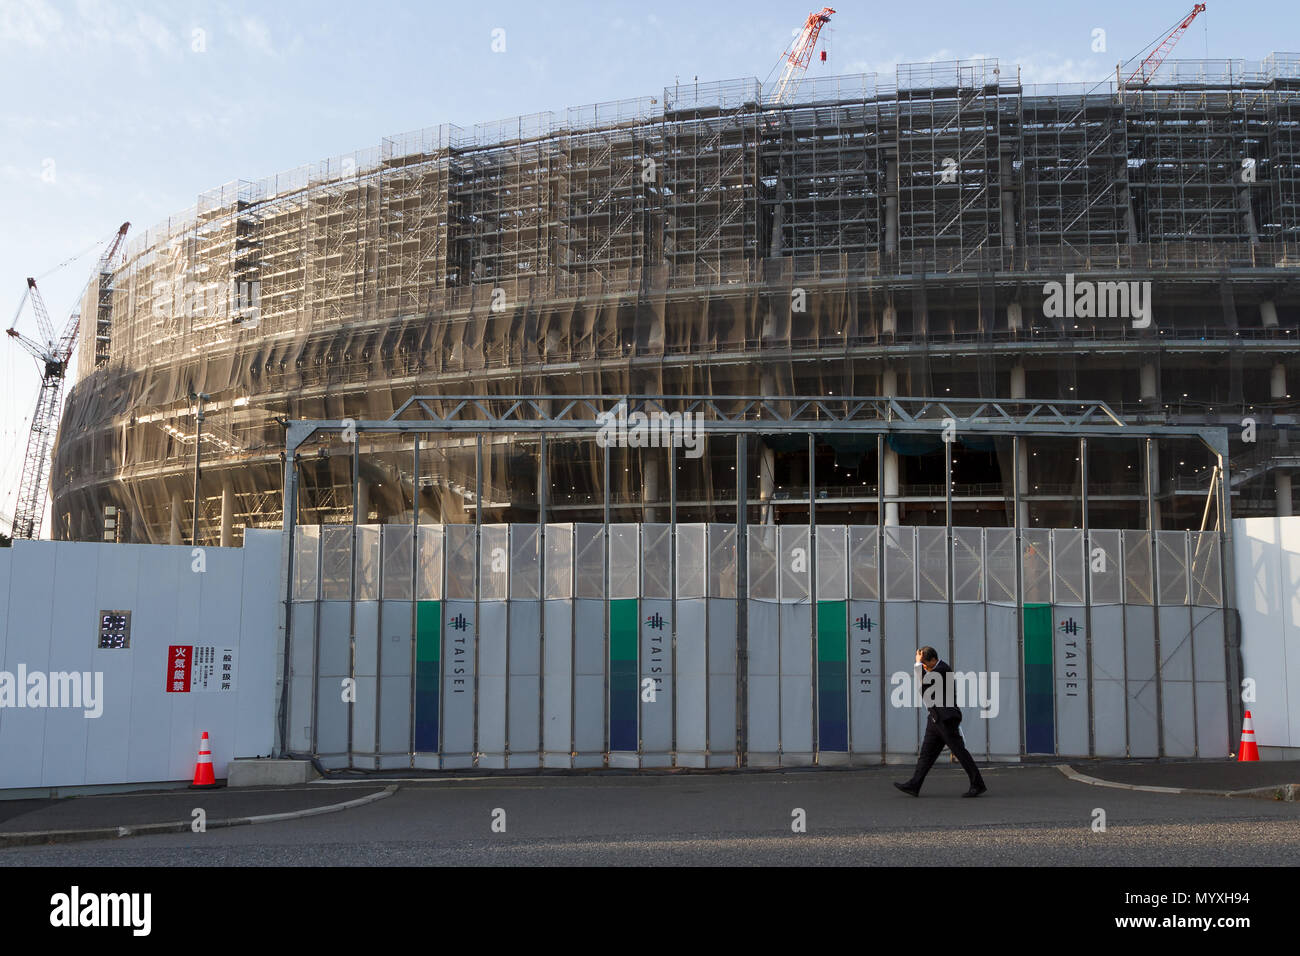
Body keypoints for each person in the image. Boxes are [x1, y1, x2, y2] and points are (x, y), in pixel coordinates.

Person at [893, 646, 988, 798]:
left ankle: (978, 784)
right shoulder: (935, 669)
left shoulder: (943, 669)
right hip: (934, 718)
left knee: (960, 752)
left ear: (933, 660)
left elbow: (924, 681)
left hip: (946, 720)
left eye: (925, 663)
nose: (924, 666)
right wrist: (920, 664)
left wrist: (917, 664)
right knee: (926, 755)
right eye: (922, 664)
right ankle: (914, 784)